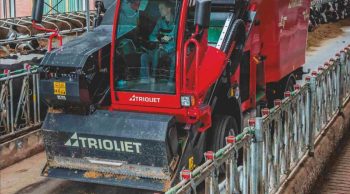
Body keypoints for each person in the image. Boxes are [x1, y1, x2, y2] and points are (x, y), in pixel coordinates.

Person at [139, 1, 176, 85]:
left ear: (169, 9)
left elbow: (174, 38)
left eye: (162, 8)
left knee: (175, 58)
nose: (160, 11)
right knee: (144, 56)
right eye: (159, 9)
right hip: (160, 49)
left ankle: (170, 81)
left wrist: (163, 41)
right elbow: (152, 36)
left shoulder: (176, 22)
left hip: (172, 51)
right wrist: (162, 39)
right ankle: (145, 81)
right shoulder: (160, 21)